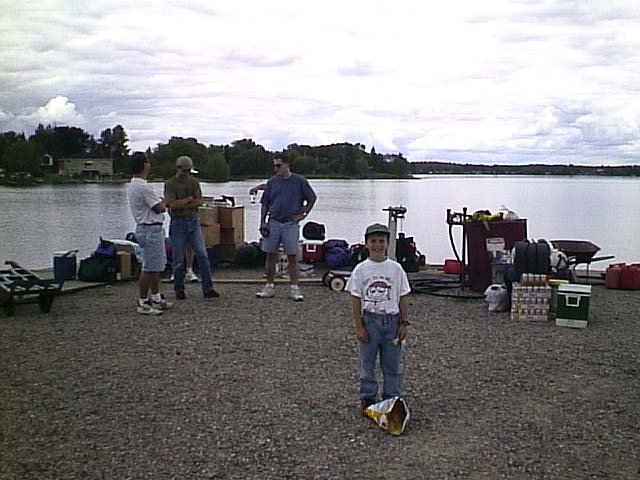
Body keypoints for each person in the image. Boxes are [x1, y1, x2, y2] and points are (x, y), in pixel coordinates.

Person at [345, 223, 411, 413]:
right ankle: (368, 397)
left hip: (392, 321)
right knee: (367, 363)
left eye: (381, 241)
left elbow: (403, 296)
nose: (377, 245)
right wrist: (359, 326)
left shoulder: (396, 269)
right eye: (373, 241)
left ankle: (391, 397)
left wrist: (404, 323)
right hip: (370, 321)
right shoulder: (361, 270)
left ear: (387, 243)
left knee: (392, 364)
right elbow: (355, 298)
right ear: (366, 244)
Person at [256, 155, 316, 301]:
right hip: (273, 222)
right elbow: (265, 203)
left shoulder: (299, 181)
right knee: (270, 255)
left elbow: (312, 198)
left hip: (290, 223)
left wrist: (303, 214)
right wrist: (262, 222)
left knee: (292, 256)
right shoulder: (272, 182)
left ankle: (294, 288)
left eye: (279, 165)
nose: (276, 169)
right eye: (274, 166)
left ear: (287, 165)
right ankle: (269, 286)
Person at [164, 155, 219, 300]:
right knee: (178, 258)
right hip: (177, 223)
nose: (187, 174)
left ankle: (208, 288)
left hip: (193, 221)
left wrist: (182, 203)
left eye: (189, 171)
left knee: (202, 254)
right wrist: (189, 200)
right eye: (185, 171)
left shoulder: (194, 182)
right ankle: (179, 289)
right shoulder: (170, 184)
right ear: (178, 169)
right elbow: (172, 205)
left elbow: (199, 201)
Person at [126, 152, 174, 315]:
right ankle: (143, 302)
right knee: (148, 267)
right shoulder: (143, 187)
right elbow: (159, 208)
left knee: (155, 266)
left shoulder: (134, 185)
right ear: (144, 165)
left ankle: (156, 297)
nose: (149, 164)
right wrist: (165, 201)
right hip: (150, 229)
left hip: (147, 228)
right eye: (147, 162)